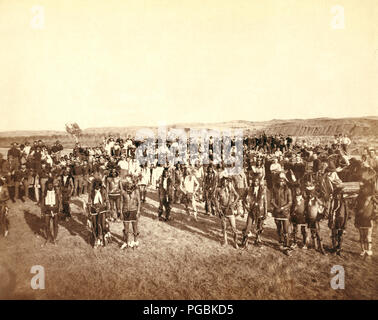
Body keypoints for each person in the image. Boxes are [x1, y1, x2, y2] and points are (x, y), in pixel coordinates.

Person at [241, 177, 267, 248]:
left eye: (257, 181)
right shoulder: (249, 189)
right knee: (248, 226)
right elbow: (243, 198)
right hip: (251, 210)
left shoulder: (263, 190)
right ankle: (245, 241)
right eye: (254, 181)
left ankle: (257, 240)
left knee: (259, 226)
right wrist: (246, 207)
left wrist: (265, 212)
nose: (255, 183)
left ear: (259, 182)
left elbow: (265, 201)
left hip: (260, 211)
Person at [214, 176, 239, 249]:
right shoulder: (218, 190)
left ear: (228, 182)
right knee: (224, 228)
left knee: (234, 228)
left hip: (230, 210)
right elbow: (215, 199)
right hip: (222, 210)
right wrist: (218, 209)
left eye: (226, 181)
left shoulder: (231, 189)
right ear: (221, 182)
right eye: (224, 181)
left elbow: (237, 196)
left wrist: (234, 203)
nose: (225, 183)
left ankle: (235, 242)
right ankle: (225, 241)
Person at [271, 177, 293, 256]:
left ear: (285, 182)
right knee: (279, 229)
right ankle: (281, 242)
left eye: (282, 181)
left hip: (285, 212)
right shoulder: (275, 189)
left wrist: (283, 208)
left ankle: (287, 247)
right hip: (277, 212)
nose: (281, 183)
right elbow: (272, 200)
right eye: (279, 181)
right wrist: (277, 208)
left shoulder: (288, 190)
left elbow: (290, 202)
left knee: (286, 230)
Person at [354, 180, 376, 256]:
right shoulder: (358, 197)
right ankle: (363, 250)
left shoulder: (372, 198)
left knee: (368, 235)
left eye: (363, 187)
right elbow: (355, 207)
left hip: (368, 219)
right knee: (362, 236)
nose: (362, 189)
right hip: (360, 218)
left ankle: (369, 250)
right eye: (361, 187)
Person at [87, 178, 109, 248]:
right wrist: (89, 212)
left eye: (98, 186)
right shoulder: (91, 192)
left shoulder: (103, 190)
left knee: (102, 225)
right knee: (94, 225)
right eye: (96, 186)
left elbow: (107, 200)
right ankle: (96, 240)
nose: (97, 188)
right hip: (94, 210)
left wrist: (107, 211)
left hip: (102, 210)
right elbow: (89, 202)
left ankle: (103, 239)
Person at [120, 175, 141, 249]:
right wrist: (121, 212)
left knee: (135, 228)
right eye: (127, 188)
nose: (128, 190)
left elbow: (139, 202)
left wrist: (138, 212)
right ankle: (126, 242)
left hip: (133, 211)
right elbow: (122, 202)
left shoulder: (136, 191)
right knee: (126, 229)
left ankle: (135, 242)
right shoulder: (123, 192)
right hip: (125, 211)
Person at [328, 186, 349, 256]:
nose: (337, 196)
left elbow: (346, 214)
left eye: (339, 194)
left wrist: (345, 224)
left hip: (341, 221)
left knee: (340, 235)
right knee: (333, 234)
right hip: (334, 220)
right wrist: (330, 220)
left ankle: (339, 248)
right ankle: (334, 248)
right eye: (336, 194)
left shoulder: (344, 202)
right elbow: (330, 211)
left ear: (341, 195)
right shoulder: (333, 202)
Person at [41, 179, 61, 246]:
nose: (50, 186)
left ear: (53, 185)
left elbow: (58, 202)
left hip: (55, 210)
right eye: (49, 185)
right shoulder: (44, 193)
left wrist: (55, 208)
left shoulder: (55, 192)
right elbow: (43, 203)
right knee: (47, 225)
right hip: (47, 210)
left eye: (51, 185)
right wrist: (44, 210)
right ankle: (48, 237)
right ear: (47, 186)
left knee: (55, 225)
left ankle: (54, 238)